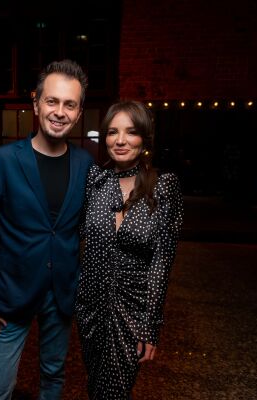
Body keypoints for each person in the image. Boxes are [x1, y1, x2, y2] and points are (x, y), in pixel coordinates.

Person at [0, 59, 93, 400]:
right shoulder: (2, 161)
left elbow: (88, 227)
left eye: (70, 105)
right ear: (36, 103)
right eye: (52, 101)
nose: (60, 112)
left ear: (78, 113)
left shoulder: (85, 164)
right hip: (11, 292)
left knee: (53, 376)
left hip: (62, 292)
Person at [76, 101, 184, 399]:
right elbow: (69, 233)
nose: (120, 140)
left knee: (114, 390)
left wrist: (151, 326)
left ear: (145, 139)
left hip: (133, 310)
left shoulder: (163, 187)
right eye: (113, 132)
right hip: (90, 307)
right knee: (96, 384)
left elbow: (161, 262)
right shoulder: (94, 181)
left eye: (131, 132)